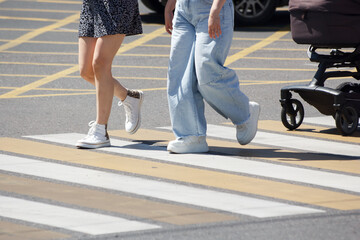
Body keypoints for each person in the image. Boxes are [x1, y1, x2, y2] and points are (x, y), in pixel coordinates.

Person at [164, 0, 260, 153]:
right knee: (178, 74)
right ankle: (192, 136)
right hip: (183, 10)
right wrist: (170, 5)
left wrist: (215, 10)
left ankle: (244, 112)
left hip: (211, 8)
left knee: (206, 71)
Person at [76, 0, 144, 149]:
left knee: (100, 64)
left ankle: (101, 131)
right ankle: (129, 97)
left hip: (117, 3)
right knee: (86, 71)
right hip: (93, 3)